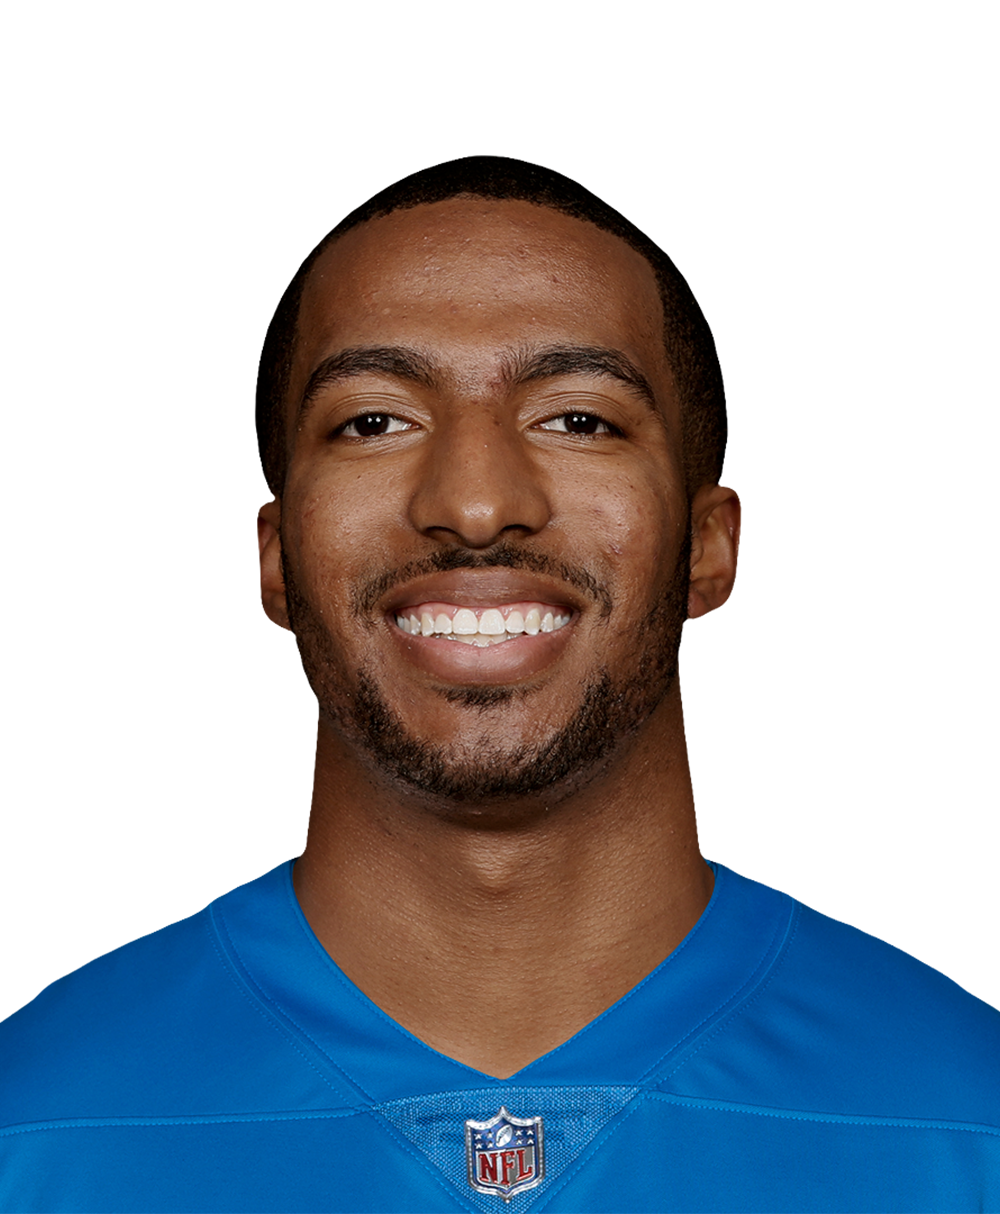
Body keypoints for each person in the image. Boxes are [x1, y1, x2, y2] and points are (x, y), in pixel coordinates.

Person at [2, 168, 998, 1211]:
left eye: (578, 419)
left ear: (710, 545)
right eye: (373, 420)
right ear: (274, 557)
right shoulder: (31, 1133)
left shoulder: (969, 1128)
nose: (475, 504)